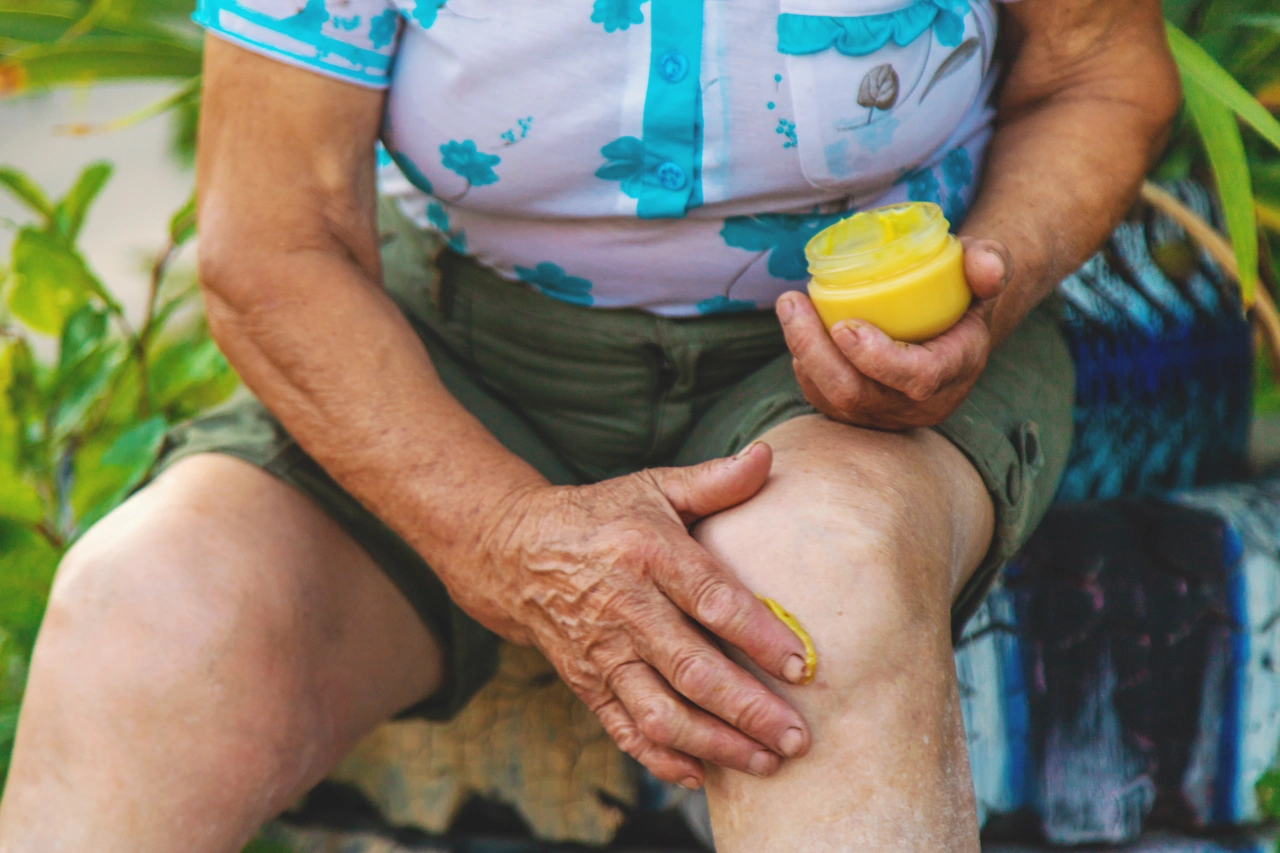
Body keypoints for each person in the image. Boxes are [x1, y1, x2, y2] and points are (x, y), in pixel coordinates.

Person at [0, 0, 1179, 850]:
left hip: (851, 361)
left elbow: (1096, 75)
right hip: (462, 346)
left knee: (801, 598)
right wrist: (502, 532)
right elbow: (272, 241)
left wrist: (993, 274)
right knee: (141, 611)